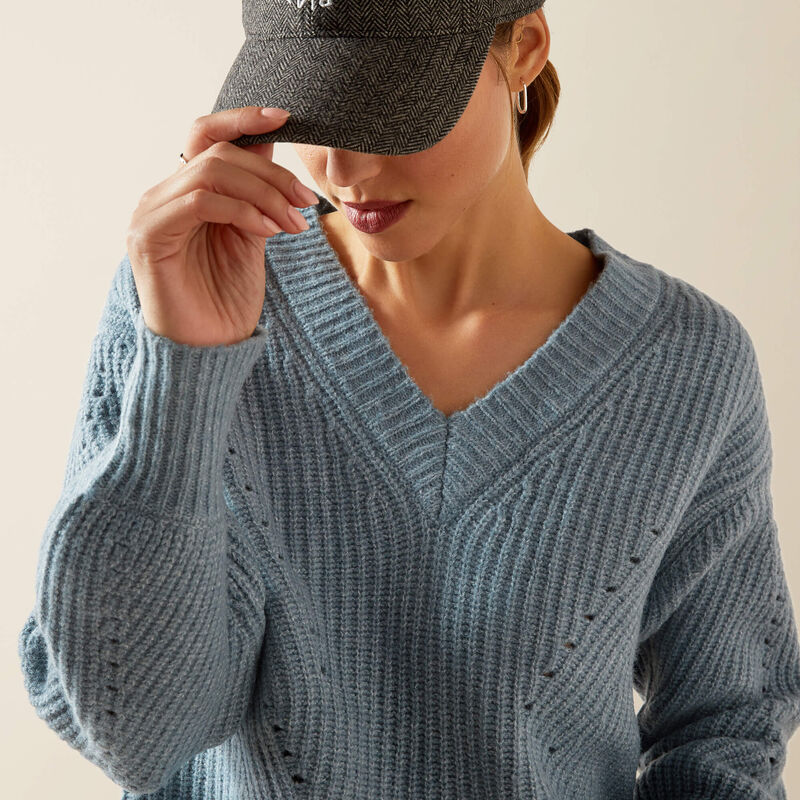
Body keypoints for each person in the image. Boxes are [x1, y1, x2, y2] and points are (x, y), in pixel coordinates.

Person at [18, 1, 800, 798]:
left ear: (524, 49)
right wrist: (184, 369)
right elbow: (132, 732)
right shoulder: (178, 295)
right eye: (311, 108)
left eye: (389, 109)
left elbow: (726, 730)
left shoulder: (686, 365)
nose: (342, 169)